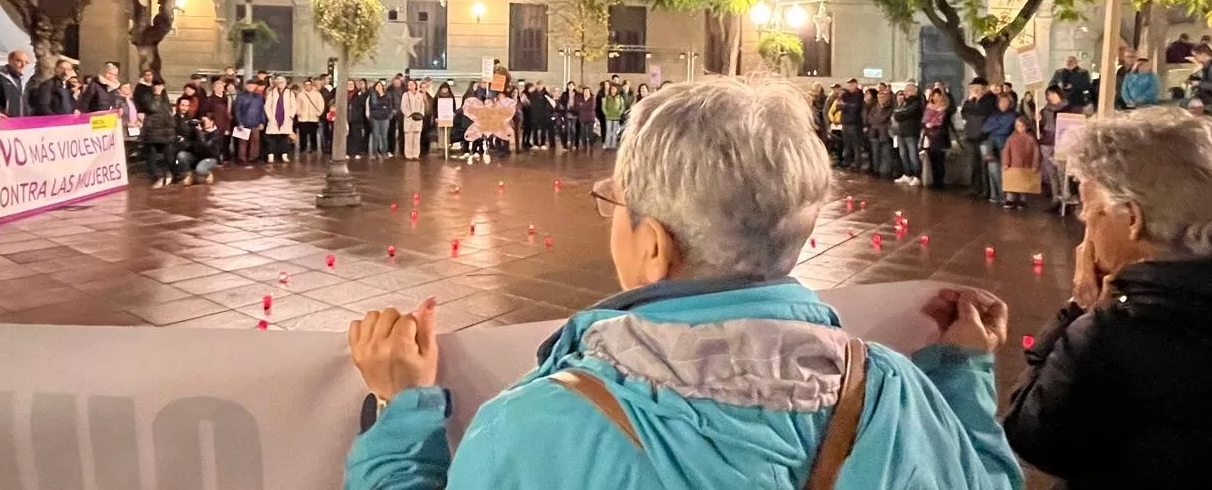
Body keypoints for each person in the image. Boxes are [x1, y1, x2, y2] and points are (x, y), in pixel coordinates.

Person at [343, 79, 1022, 489]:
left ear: (653, 245)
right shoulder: (897, 396)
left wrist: (401, 410)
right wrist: (961, 373)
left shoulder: (530, 429)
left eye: (615, 206)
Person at [1003, 107, 1212, 487]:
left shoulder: (1115, 335)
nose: (1084, 223)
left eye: (1090, 212)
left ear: (1133, 219)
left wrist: (1080, 310)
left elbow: (1033, 433)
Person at [1037, 87, 1075, 211]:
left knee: (1062, 173)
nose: (1051, 96)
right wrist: (1038, 121)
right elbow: (1039, 127)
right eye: (1048, 94)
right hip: (1047, 143)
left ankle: (1065, 201)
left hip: (1061, 144)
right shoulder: (1044, 111)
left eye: (1053, 93)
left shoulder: (1068, 109)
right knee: (1051, 174)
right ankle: (1055, 199)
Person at [960, 77, 998, 197]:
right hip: (971, 135)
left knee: (985, 165)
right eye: (973, 88)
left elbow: (982, 111)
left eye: (978, 88)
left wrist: (972, 106)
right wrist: (969, 102)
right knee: (973, 164)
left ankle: (987, 190)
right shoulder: (971, 100)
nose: (975, 90)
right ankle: (975, 187)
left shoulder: (990, 99)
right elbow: (964, 112)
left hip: (984, 136)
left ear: (984, 88)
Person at [172, 100, 222, 185]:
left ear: (212, 122)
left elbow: (206, 147)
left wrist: (200, 133)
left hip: (210, 158)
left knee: (200, 170)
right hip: (197, 156)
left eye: (204, 122)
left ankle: (208, 173)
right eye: (202, 121)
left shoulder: (216, 134)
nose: (202, 124)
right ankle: (189, 176)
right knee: (181, 155)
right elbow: (192, 141)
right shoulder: (199, 130)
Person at [982, 94, 1017, 206]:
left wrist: (995, 125)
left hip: (1005, 144)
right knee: (993, 170)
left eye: (1006, 102)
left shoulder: (1013, 115)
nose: (1003, 104)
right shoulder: (994, 114)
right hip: (991, 145)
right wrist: (1000, 123)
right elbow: (985, 128)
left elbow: (1007, 129)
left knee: (1004, 170)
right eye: (1001, 102)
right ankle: (996, 195)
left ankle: (1005, 195)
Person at [141, 80, 178, 187]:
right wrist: (156, 96)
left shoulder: (165, 98)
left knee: (168, 155)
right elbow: (152, 108)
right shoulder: (148, 97)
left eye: (160, 86)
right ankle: (155, 176)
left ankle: (169, 174)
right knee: (152, 155)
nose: (158, 88)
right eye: (156, 86)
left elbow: (169, 113)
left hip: (166, 132)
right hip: (152, 132)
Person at [1000, 116, 1040, 209]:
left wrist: (1035, 164)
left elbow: (1036, 152)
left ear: (1027, 126)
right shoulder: (1011, 138)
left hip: (1026, 164)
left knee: (1024, 183)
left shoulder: (1031, 138)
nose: (1020, 128)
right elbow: (1006, 151)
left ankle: (1022, 200)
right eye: (1018, 126)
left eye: (1022, 126)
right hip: (1013, 164)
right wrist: (1005, 162)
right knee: (1011, 183)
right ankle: (1010, 199)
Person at [893, 81, 925, 186]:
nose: (906, 92)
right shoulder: (904, 103)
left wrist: (901, 114)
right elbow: (897, 114)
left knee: (913, 155)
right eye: (905, 90)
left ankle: (917, 176)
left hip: (911, 132)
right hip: (901, 132)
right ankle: (907, 174)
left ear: (914, 91)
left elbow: (907, 113)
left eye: (908, 90)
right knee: (903, 154)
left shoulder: (916, 102)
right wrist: (901, 114)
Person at [0, 51, 30, 117]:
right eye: (19, 61)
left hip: (21, 121)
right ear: (9, 61)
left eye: (26, 62)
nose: (23, 65)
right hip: (4, 121)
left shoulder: (22, 80)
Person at [922, 88, 952, 190]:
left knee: (940, 160)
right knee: (932, 160)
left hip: (940, 136)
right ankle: (935, 181)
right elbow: (924, 121)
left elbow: (941, 122)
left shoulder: (945, 109)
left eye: (937, 95)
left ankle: (940, 183)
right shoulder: (928, 107)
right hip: (929, 136)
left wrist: (933, 121)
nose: (935, 98)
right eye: (933, 95)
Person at [264, 74, 299, 163]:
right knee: (272, 138)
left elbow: (294, 106)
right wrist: (270, 116)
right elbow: (267, 106)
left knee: (284, 138)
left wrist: (291, 115)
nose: (280, 84)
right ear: (276, 83)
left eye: (282, 82)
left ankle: (284, 155)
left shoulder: (290, 93)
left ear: (285, 83)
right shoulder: (271, 93)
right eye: (278, 82)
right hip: (274, 118)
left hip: (286, 118)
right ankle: (271, 155)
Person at [232, 79, 266, 165]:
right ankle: (242, 159)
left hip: (256, 123)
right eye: (249, 85)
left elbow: (261, 110)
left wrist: (262, 122)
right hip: (243, 123)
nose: (251, 87)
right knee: (243, 143)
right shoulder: (240, 96)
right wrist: (239, 122)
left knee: (255, 142)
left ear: (255, 86)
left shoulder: (259, 97)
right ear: (246, 86)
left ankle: (253, 158)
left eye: (253, 85)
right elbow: (237, 111)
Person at [836, 78, 866, 169]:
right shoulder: (845, 95)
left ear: (855, 84)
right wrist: (846, 106)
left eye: (851, 84)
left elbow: (855, 108)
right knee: (847, 144)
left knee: (856, 145)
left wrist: (846, 106)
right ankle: (847, 162)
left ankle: (857, 164)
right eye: (848, 85)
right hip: (845, 123)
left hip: (855, 123)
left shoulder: (860, 95)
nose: (849, 86)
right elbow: (839, 106)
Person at [865, 88, 894, 179]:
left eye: (883, 97)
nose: (881, 99)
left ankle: (885, 171)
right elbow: (869, 118)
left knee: (886, 153)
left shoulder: (891, 108)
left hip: (885, 134)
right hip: (874, 134)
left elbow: (884, 118)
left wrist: (876, 121)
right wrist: (876, 121)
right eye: (879, 97)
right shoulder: (875, 107)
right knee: (875, 153)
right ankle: (875, 170)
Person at [401, 80, 428, 161]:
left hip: (418, 119)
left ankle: (416, 154)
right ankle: (408, 155)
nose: (411, 86)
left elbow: (422, 106)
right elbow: (403, 107)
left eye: (412, 84)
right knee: (408, 137)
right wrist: (410, 114)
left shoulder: (419, 95)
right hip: (409, 118)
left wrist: (421, 115)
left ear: (416, 85)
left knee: (417, 138)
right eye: (409, 84)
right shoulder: (405, 95)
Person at [297, 78, 325, 155]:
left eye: (309, 85)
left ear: (311, 85)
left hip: (313, 117)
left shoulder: (317, 94)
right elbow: (297, 104)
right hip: (303, 117)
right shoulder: (300, 95)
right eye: (306, 85)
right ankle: (303, 148)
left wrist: (319, 112)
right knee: (303, 134)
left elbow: (321, 104)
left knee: (313, 134)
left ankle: (314, 148)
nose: (308, 86)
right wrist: (298, 112)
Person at [368, 80, 394, 159]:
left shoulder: (388, 95)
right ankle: (375, 152)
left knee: (384, 136)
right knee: (375, 135)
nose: (379, 87)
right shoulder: (373, 95)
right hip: (375, 118)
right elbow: (372, 106)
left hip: (385, 118)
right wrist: (382, 106)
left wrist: (384, 109)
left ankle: (384, 152)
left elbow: (389, 106)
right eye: (377, 86)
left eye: (380, 86)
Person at [347, 80, 369, 159]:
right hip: (347, 118)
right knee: (348, 136)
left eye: (351, 84)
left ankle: (356, 152)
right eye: (348, 84)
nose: (350, 85)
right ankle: (348, 152)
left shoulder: (358, 94)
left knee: (357, 136)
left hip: (357, 118)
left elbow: (362, 104)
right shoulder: (344, 95)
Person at [575, 85, 597, 151]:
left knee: (590, 133)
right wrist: (582, 106)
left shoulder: (592, 99)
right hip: (582, 118)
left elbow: (591, 108)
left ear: (590, 92)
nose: (586, 93)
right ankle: (584, 145)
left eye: (587, 91)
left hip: (590, 118)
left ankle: (591, 145)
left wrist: (582, 105)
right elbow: (577, 107)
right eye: (585, 91)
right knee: (583, 132)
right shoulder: (579, 98)